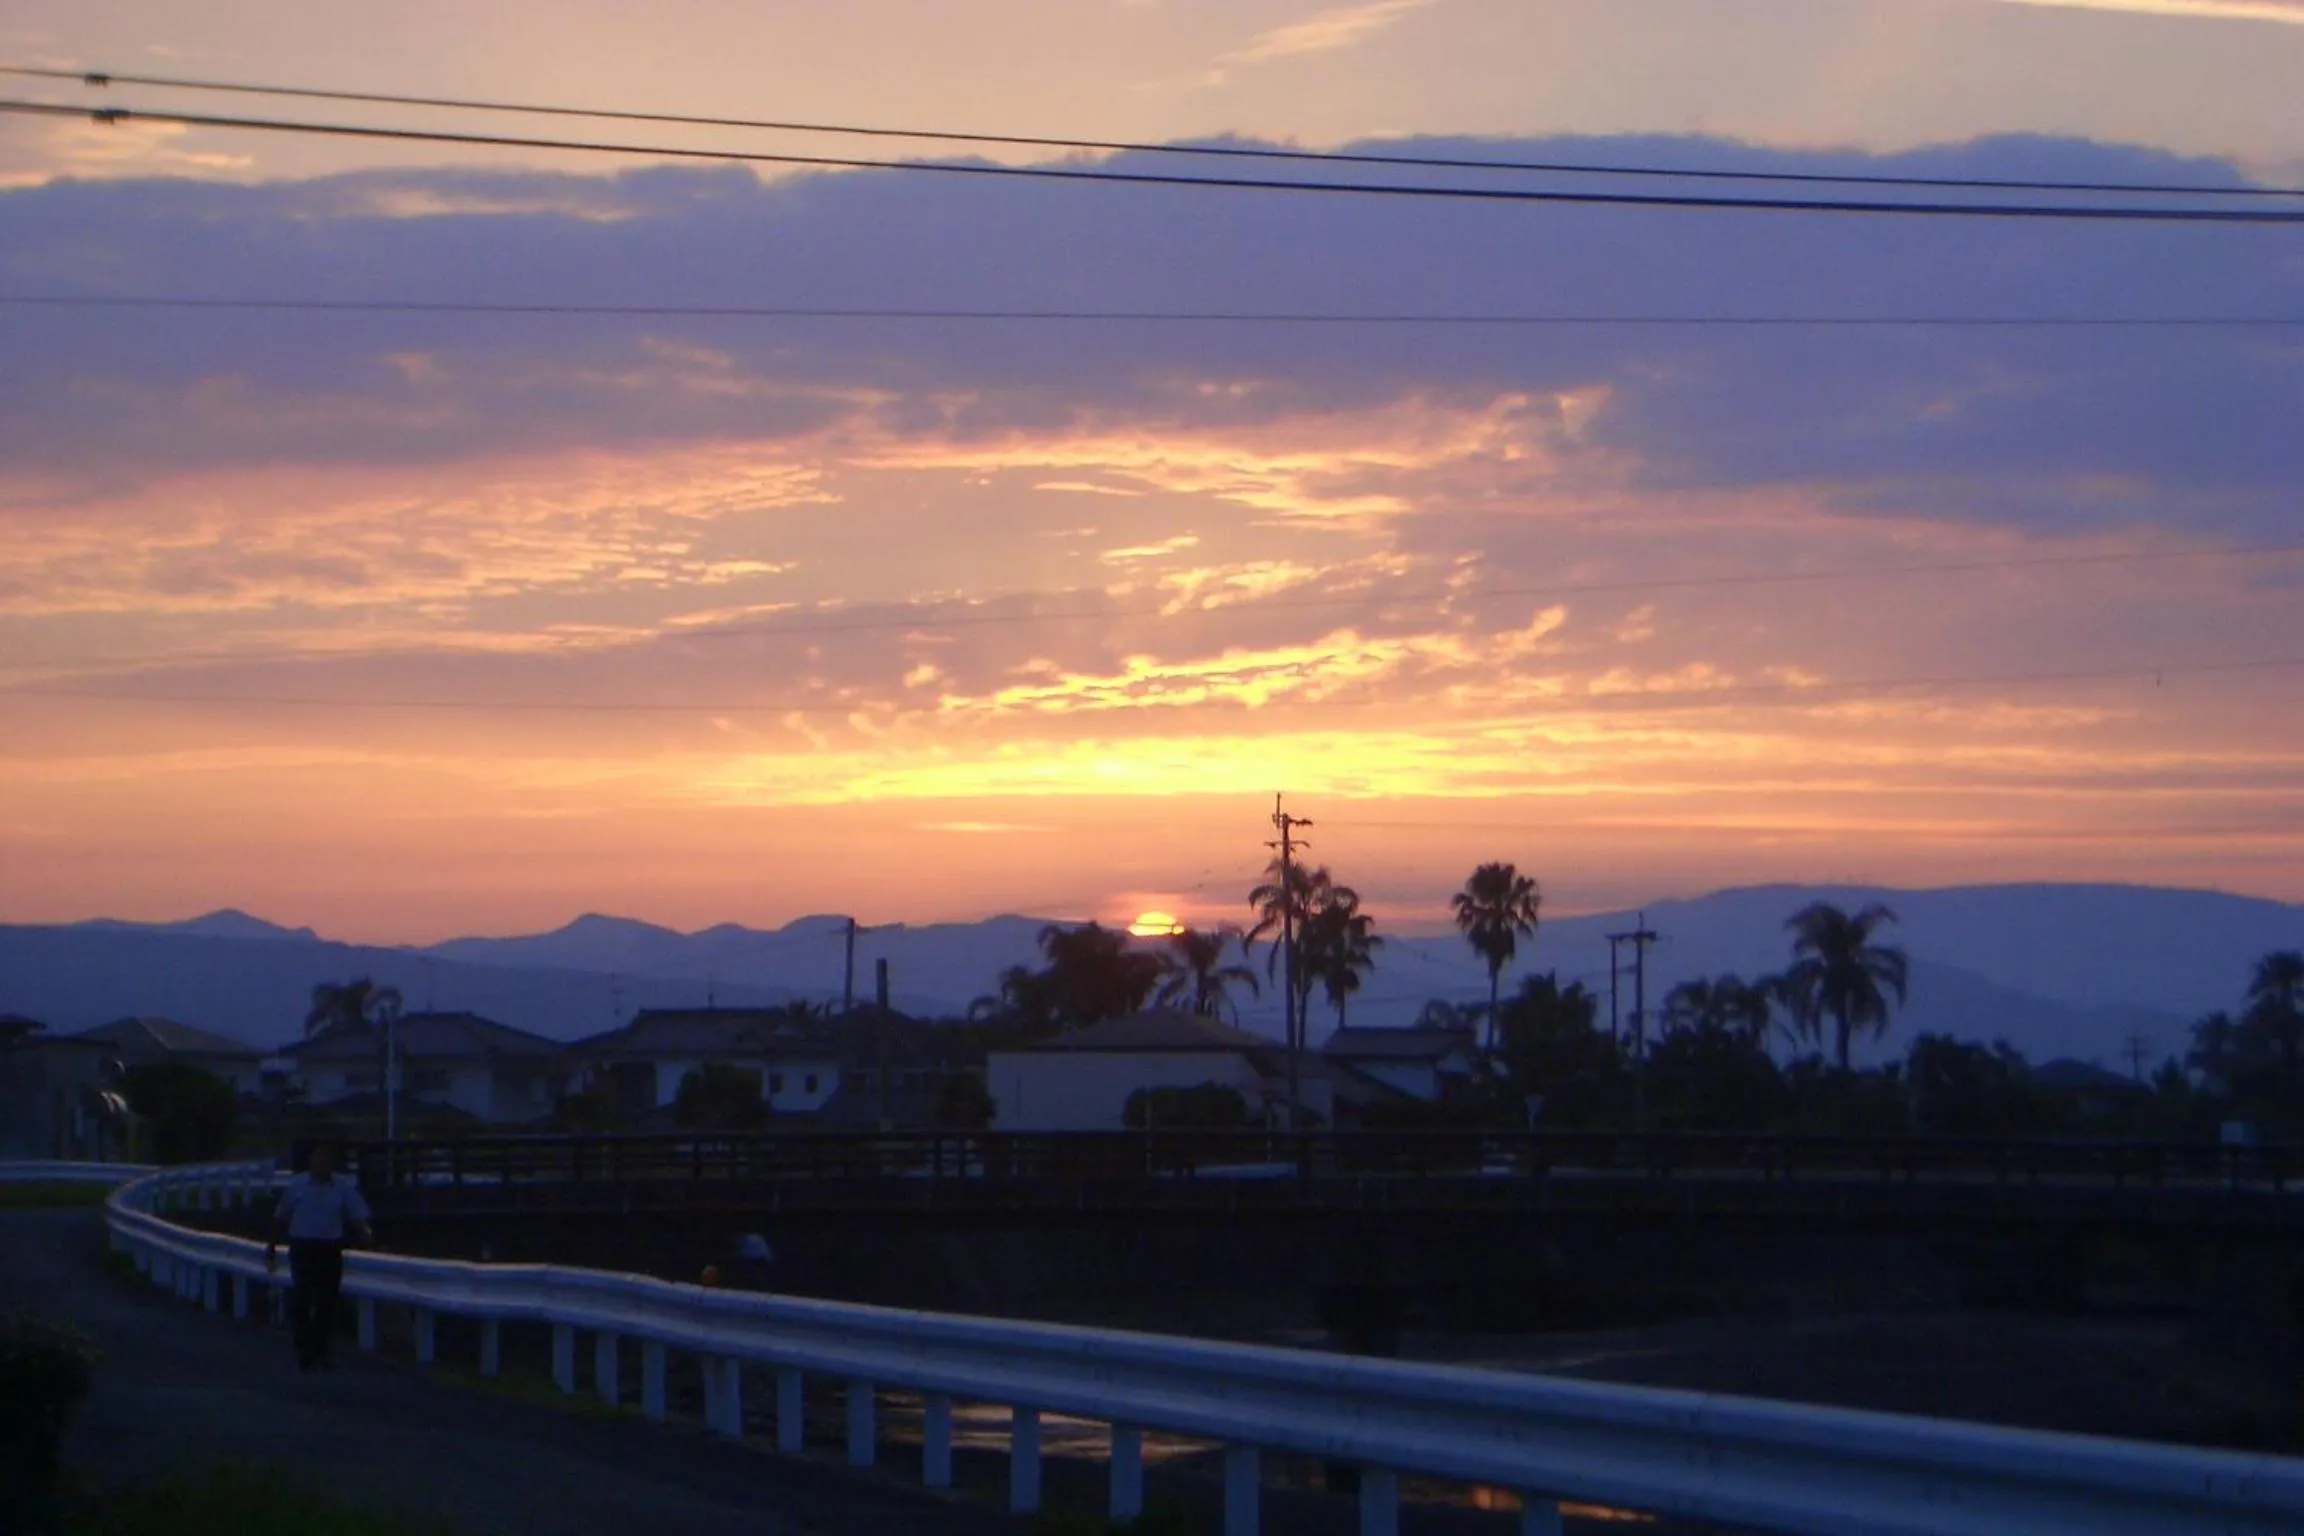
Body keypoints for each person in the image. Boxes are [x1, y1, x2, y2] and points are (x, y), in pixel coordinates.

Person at [266, 1141, 372, 1371]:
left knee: (327, 1302)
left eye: (326, 1160)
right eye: (318, 1159)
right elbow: (281, 1217)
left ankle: (320, 1351)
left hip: (330, 1248)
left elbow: (357, 1217)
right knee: (302, 1297)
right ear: (311, 1162)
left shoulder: (342, 1187)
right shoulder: (297, 1186)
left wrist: (366, 1236)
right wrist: (272, 1246)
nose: (322, 1164)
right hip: (303, 1247)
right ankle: (304, 1348)